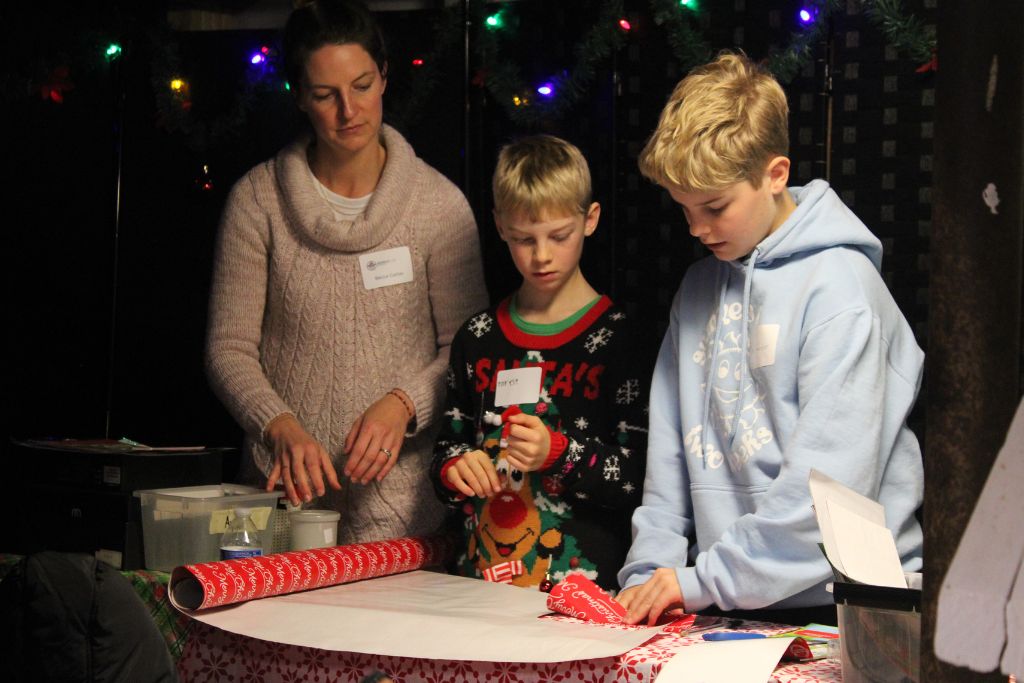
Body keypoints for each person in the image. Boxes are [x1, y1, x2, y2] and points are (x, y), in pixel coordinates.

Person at [616, 52, 924, 625]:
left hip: (852, 608)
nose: (697, 229)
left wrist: (699, 581)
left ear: (775, 174)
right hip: (720, 602)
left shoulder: (842, 290)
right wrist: (648, 574)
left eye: (714, 207)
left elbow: (828, 493)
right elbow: (668, 464)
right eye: (683, 209)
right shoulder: (698, 286)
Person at [205, 0, 487, 545]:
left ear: (385, 76)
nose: (348, 110)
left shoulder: (439, 206)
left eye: (361, 85)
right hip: (280, 504)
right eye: (324, 95)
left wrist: (403, 404)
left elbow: (468, 348)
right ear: (298, 97)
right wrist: (278, 425)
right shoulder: (257, 201)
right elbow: (228, 347)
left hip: (404, 512)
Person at [430, 135, 650, 591]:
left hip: (587, 594)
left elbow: (639, 478)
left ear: (590, 220)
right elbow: (446, 450)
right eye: (524, 239)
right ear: (500, 227)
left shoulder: (623, 340)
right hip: (479, 586)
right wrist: (456, 471)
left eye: (559, 236)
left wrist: (559, 453)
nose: (542, 255)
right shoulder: (478, 338)